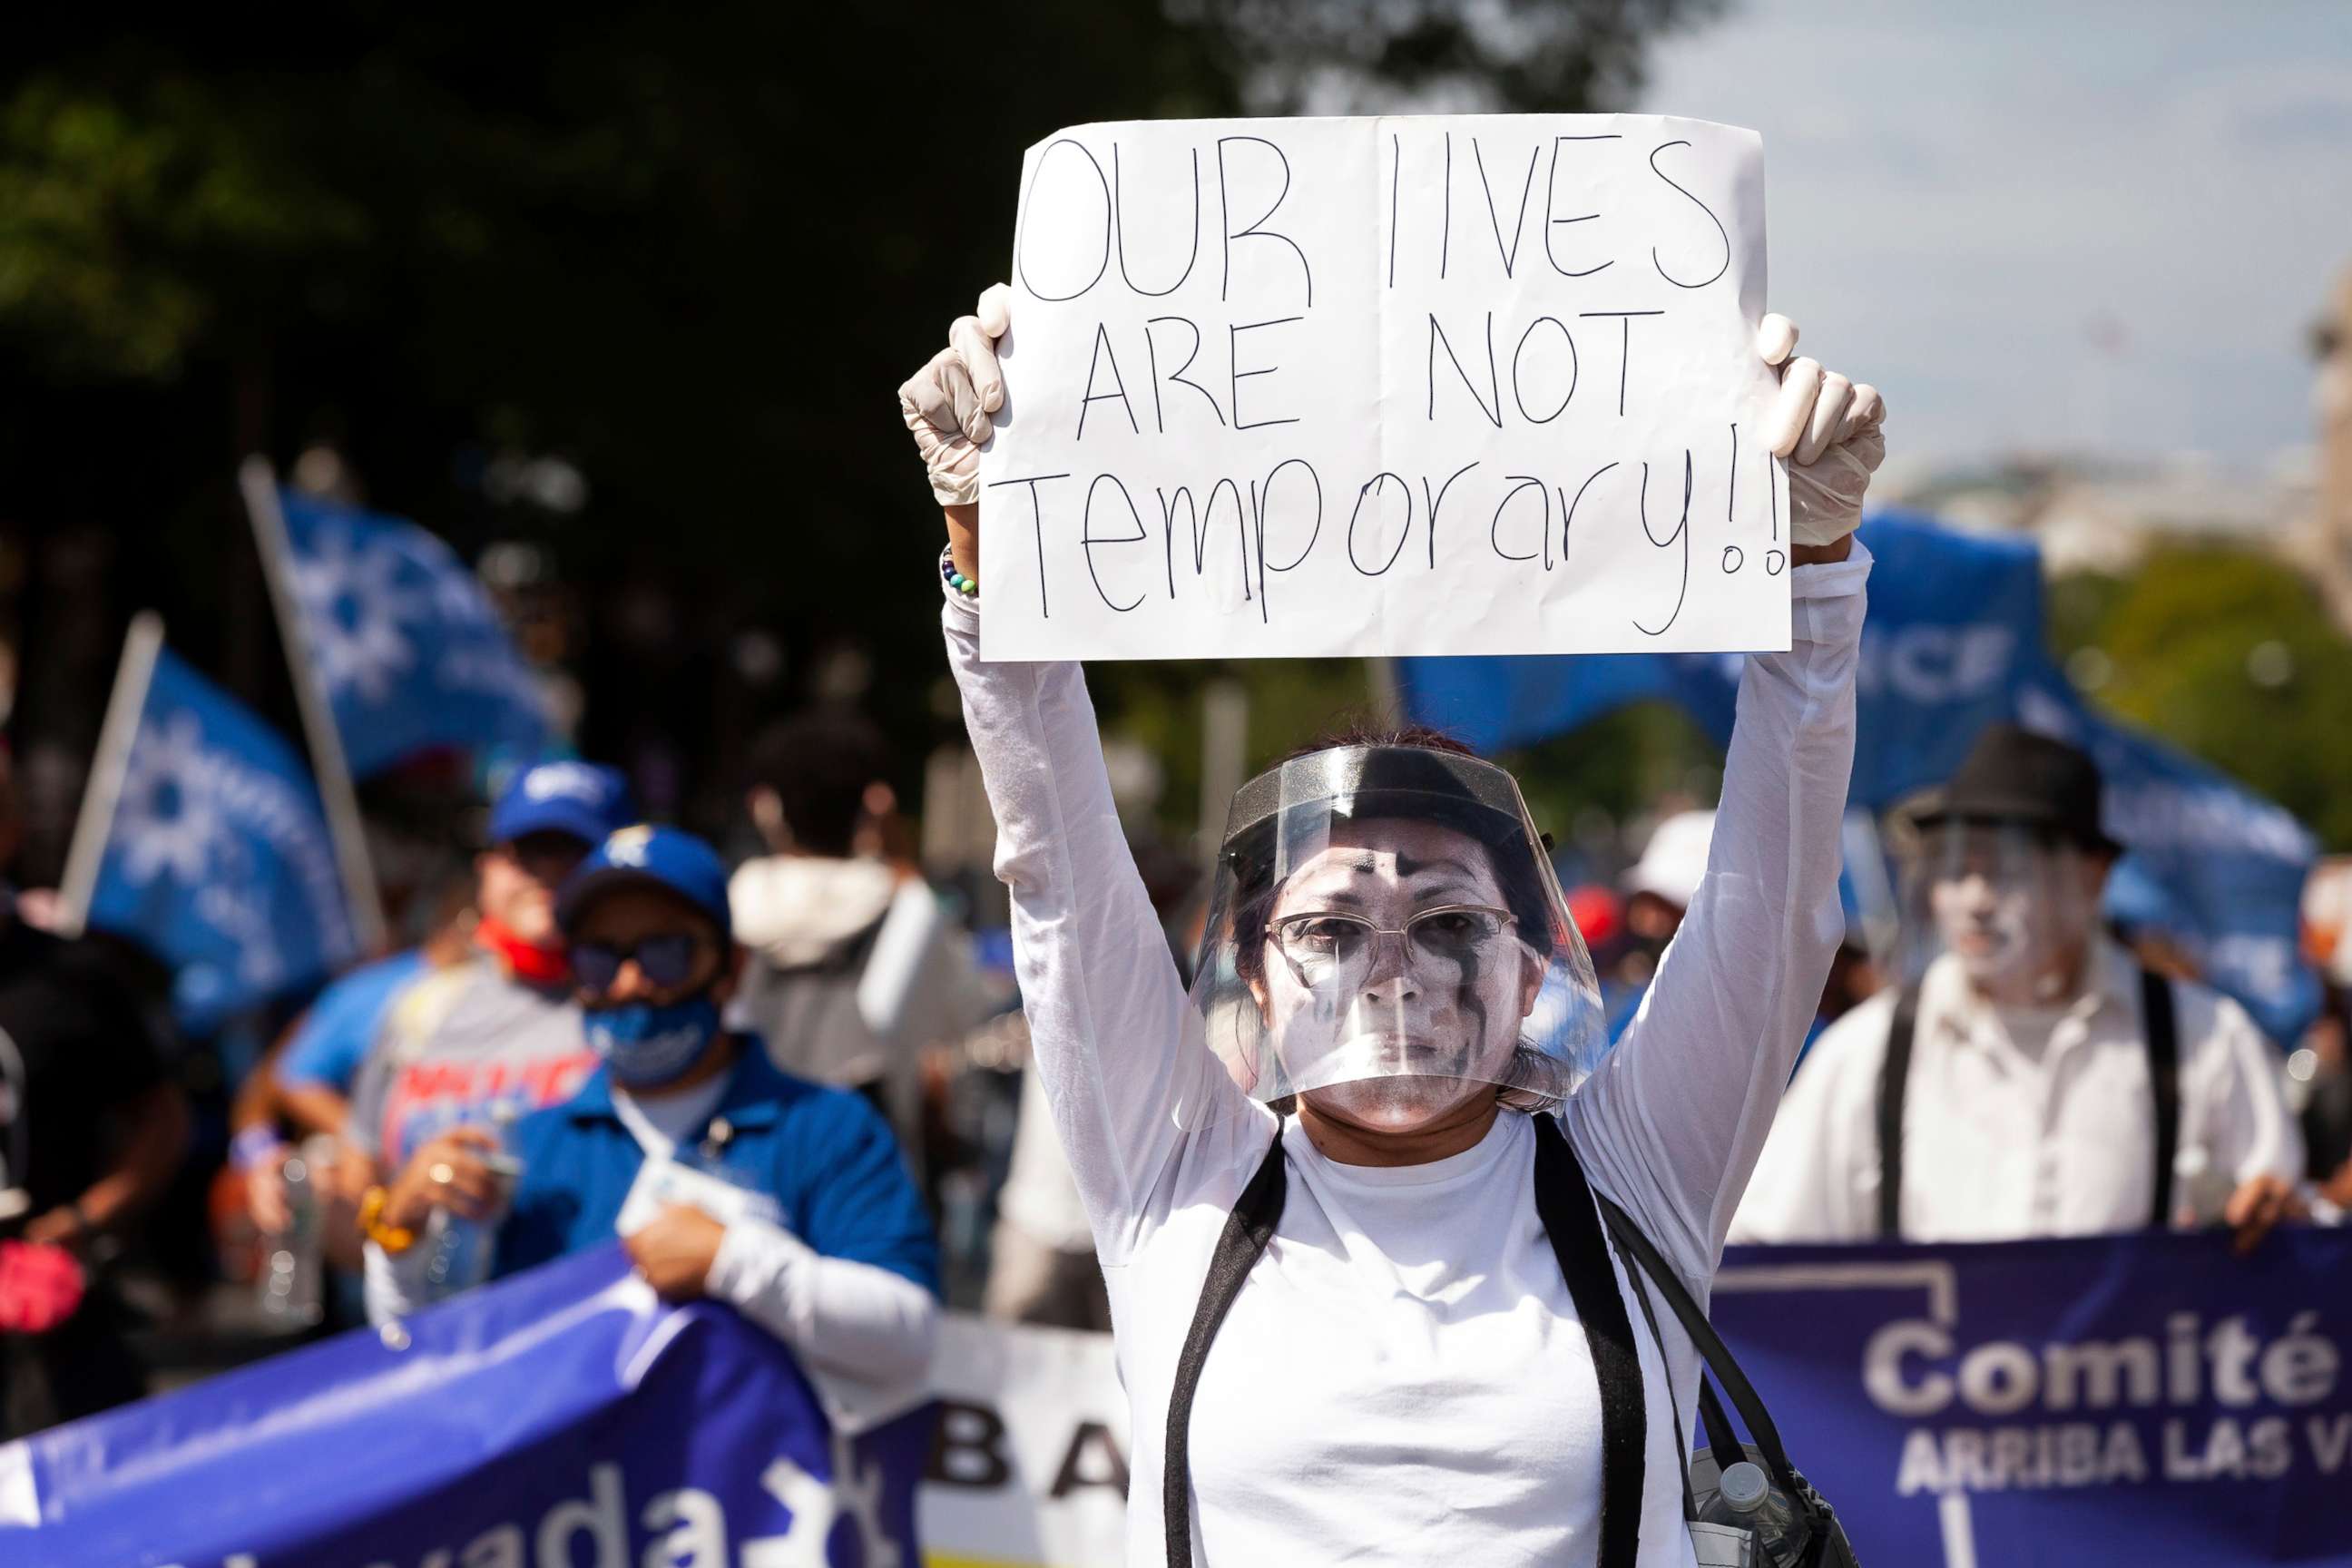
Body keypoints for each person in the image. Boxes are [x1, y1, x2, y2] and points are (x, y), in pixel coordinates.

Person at [902, 288, 1882, 1563]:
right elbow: (1058, 873)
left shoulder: (1635, 1175)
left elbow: (1776, 907)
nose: (1391, 971)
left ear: (1532, 968)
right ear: (1251, 972)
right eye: (1328, 928)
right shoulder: (1180, 1175)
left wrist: (1813, 572)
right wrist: (989, 541)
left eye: (1447, 921)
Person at [366, 826, 938, 1415]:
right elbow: (428, 1356)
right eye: (599, 958)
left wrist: (734, 1261)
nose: (631, 982)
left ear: (731, 969)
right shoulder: (529, 1147)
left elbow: (910, 1337)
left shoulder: (828, 1127)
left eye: (666, 954)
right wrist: (400, 1240)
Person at [1731, 725, 2307, 1250]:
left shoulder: (2201, 1039)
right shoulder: (1868, 1054)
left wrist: (2274, 1216)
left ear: (2091, 877)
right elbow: (1766, 1252)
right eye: (1954, 869)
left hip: (2127, 1363)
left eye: (2007, 869)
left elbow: (2290, 1238)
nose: (1975, 901)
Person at [0, 759, 189, 1433]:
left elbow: (162, 1117)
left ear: (11, 830)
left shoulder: (76, 976)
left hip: (55, 1339)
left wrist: (86, 1220)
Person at [343, 760, 632, 1197]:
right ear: (487, 869)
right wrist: (391, 1214)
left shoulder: (646, 1008)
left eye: (575, 854)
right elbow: (358, 1171)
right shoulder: (421, 1004)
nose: (548, 874)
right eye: (528, 853)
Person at [728, 708, 991, 1163]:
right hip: (866, 1170)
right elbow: (966, 1016)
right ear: (872, 805)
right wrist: (902, 855)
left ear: (768, 808)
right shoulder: (909, 907)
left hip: (744, 1153)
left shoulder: (730, 900)